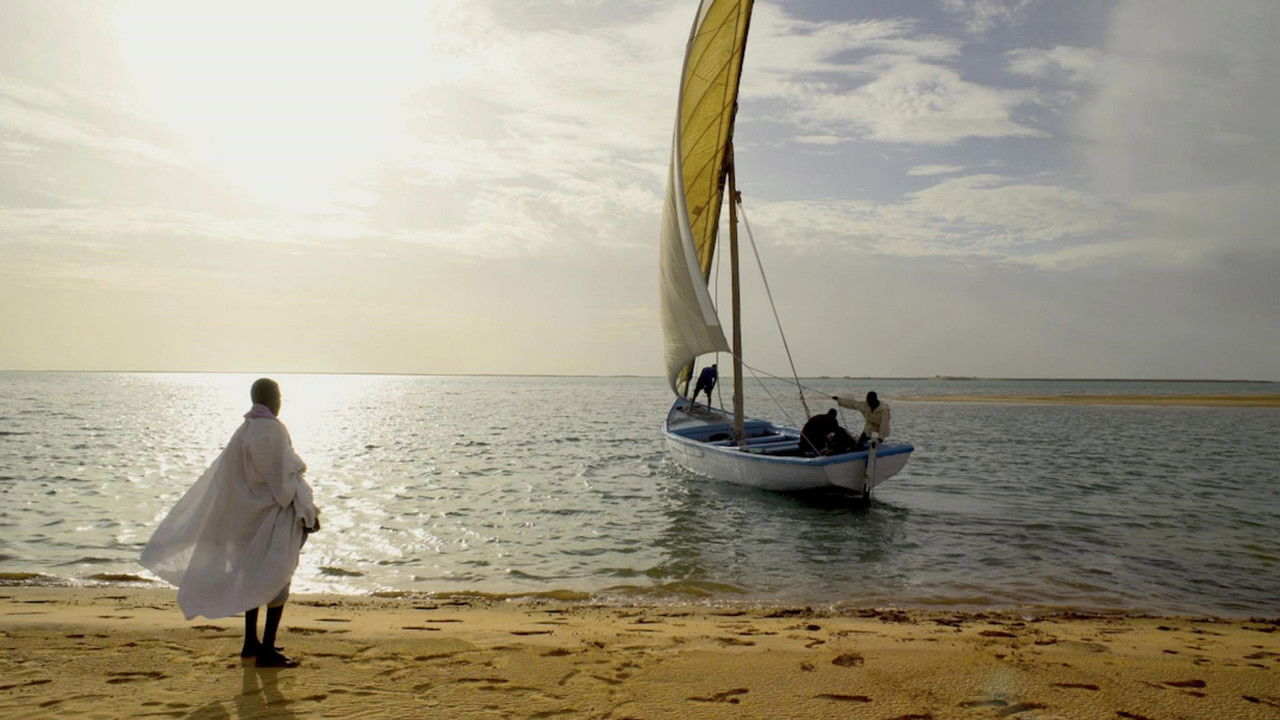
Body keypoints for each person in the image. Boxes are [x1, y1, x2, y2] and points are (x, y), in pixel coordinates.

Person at [141, 378, 320, 669]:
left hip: (246, 518)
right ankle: (267, 650)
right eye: (278, 395)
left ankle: (251, 641)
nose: (280, 401)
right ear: (271, 398)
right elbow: (283, 484)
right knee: (278, 578)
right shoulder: (273, 429)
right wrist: (307, 506)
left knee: (251, 578)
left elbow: (235, 478)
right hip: (271, 517)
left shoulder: (244, 430)